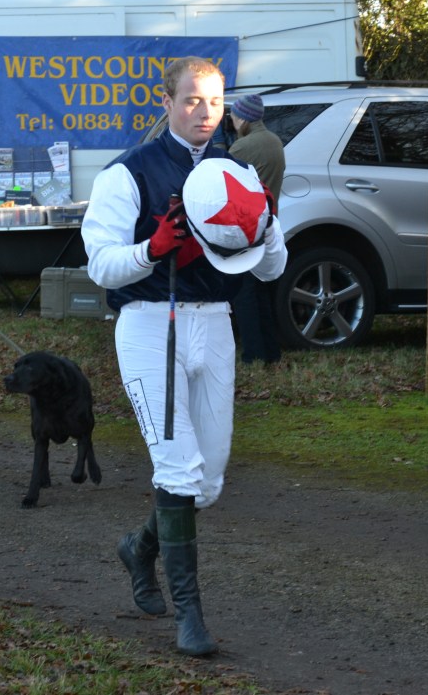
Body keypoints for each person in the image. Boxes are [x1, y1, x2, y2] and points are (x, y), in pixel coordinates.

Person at [81, 56, 287, 656]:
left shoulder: (237, 174)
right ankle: (189, 615)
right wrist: (153, 247)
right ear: (167, 101)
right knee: (176, 467)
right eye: (192, 100)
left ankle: (139, 547)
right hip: (149, 323)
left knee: (208, 480)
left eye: (215, 102)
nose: (204, 113)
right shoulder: (130, 172)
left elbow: (271, 269)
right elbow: (101, 266)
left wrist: (268, 225)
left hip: (215, 324)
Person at [227, 93, 286, 364]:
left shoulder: (242, 148)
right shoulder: (274, 141)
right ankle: (272, 351)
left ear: (244, 118)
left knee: (245, 295)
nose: (230, 118)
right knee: (262, 291)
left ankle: (253, 354)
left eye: (234, 114)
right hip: (269, 223)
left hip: (246, 226)